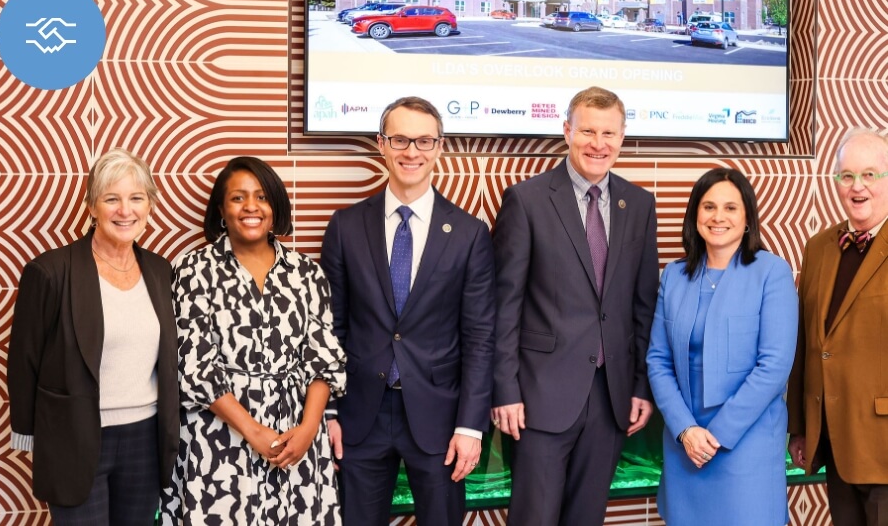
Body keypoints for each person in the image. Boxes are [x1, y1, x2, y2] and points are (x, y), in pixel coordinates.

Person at [320, 96, 495, 525]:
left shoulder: (470, 234)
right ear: (382, 144)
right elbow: (329, 328)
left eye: (423, 141)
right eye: (399, 139)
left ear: (439, 147)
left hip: (440, 418)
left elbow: (479, 338)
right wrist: (327, 411)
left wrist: (470, 427)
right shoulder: (345, 227)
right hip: (360, 416)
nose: (411, 151)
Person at [491, 86, 659, 525]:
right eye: (587, 131)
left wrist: (640, 385)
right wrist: (505, 390)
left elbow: (644, 304)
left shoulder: (639, 204)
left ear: (623, 137)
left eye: (609, 133)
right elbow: (504, 305)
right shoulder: (526, 201)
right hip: (539, 397)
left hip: (610, 398)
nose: (598, 144)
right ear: (567, 131)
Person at [160, 157, 346, 525]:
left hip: (297, 436)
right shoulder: (194, 270)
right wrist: (255, 432)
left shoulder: (307, 273)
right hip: (219, 436)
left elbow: (324, 358)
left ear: (275, 207)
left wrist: (309, 429)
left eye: (261, 197)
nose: (251, 207)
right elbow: (194, 366)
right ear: (221, 210)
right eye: (238, 198)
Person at [7, 148, 179, 524]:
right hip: (75, 438)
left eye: (136, 198)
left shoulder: (161, 271)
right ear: (91, 206)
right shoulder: (51, 271)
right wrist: (25, 431)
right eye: (111, 199)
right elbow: (24, 359)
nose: (125, 210)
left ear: (149, 205)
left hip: (145, 441)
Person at [646, 168, 798, 525]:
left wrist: (716, 436)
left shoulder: (772, 272)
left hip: (747, 444)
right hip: (685, 444)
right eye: (709, 206)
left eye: (731, 207)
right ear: (694, 215)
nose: (718, 217)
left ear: (747, 218)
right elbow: (658, 360)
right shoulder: (674, 275)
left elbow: (774, 366)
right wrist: (686, 430)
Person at [788, 128, 888, 525]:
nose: (856, 186)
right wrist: (800, 427)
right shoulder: (818, 247)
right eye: (846, 176)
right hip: (833, 441)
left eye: (870, 175)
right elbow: (806, 343)